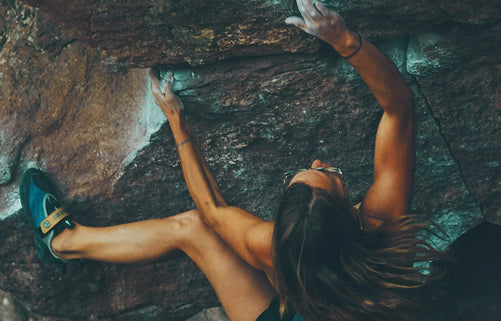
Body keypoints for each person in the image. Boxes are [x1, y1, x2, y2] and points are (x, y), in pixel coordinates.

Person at [20, 1, 443, 321]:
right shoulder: (382, 234)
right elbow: (399, 109)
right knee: (196, 227)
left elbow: (214, 210)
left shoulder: (273, 248)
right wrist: (344, 40)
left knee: (193, 227)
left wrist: (177, 121)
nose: (319, 160)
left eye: (322, 172)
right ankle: (65, 244)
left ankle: (64, 243)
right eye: (324, 172)